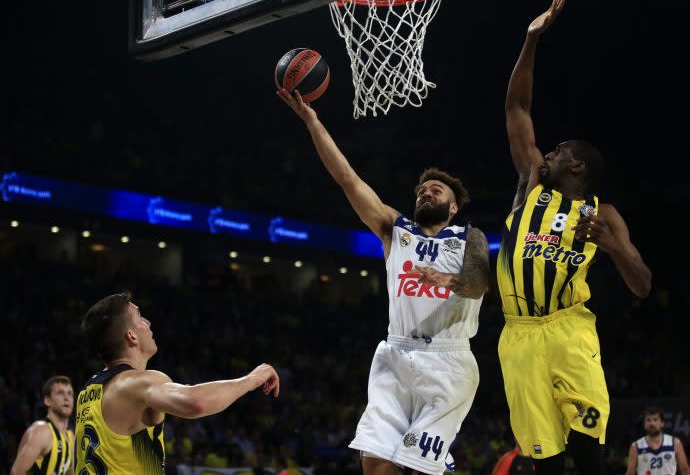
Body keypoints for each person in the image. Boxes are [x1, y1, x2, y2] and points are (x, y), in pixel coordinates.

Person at [277, 88, 490, 475]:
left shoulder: (469, 237)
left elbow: (478, 284)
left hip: (448, 359)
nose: (426, 192)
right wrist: (313, 123)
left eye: (436, 190)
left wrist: (445, 277)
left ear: (454, 206)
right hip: (395, 353)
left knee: (423, 469)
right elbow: (347, 179)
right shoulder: (395, 231)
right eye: (422, 190)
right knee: (374, 465)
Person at [498, 0, 652, 475]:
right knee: (545, 459)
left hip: (567, 326)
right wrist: (531, 39)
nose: (552, 150)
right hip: (518, 333)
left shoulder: (602, 212)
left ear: (577, 166)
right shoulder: (532, 183)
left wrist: (612, 248)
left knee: (587, 445)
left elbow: (642, 285)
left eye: (561, 149)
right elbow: (517, 106)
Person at [74, 291, 280, 474]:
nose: (148, 323)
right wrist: (252, 379)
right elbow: (194, 402)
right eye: (139, 317)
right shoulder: (138, 383)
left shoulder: (87, 392)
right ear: (131, 336)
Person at [10, 376, 75, 475]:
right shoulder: (40, 431)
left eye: (70, 393)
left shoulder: (71, 436)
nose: (67, 398)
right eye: (60, 393)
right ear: (47, 400)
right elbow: (16, 472)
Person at [625, 406, 690, 475]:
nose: (652, 423)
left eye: (655, 420)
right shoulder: (635, 446)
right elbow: (630, 473)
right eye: (648, 420)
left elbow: (685, 470)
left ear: (662, 423)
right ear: (644, 424)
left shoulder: (675, 443)